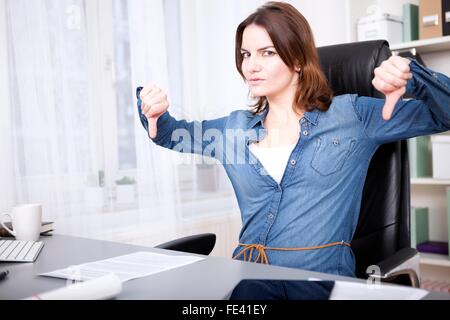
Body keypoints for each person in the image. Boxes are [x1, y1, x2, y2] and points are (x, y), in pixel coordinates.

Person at [136, 1, 450, 277]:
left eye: (267, 53)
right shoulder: (232, 129)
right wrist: (152, 110)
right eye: (246, 54)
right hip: (249, 282)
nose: (251, 65)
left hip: (320, 285)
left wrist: (413, 77)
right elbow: (168, 134)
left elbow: (445, 113)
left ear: (298, 59)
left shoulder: (352, 116)